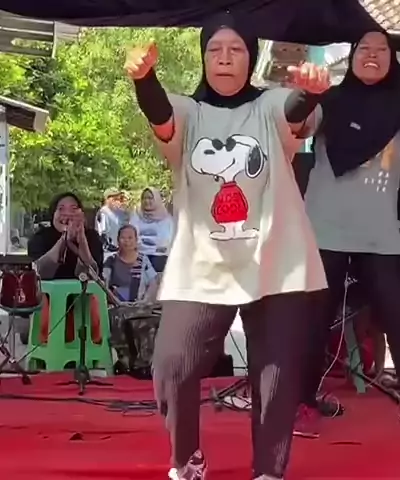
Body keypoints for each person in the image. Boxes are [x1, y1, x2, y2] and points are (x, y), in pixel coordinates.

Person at [125, 12, 330, 480]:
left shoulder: (269, 104)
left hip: (277, 258)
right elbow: (159, 115)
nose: (224, 58)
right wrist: (144, 79)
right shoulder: (188, 111)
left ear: (250, 59)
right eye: (214, 50)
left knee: (275, 374)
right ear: (203, 58)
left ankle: (268, 471)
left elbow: (295, 112)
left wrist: (312, 92)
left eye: (235, 49)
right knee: (172, 363)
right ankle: (187, 459)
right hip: (202, 262)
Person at [295, 29, 400, 439]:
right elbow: (302, 125)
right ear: (351, 57)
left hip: (377, 236)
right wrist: (306, 96)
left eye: (381, 49)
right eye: (363, 48)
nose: (372, 54)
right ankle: (302, 403)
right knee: (312, 321)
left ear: (391, 58)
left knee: (398, 318)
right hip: (324, 231)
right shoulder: (330, 102)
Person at [28, 192, 104, 344]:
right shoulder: (41, 237)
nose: (67, 213)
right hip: (50, 300)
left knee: (93, 301)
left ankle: (92, 345)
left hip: (82, 299)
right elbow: (41, 273)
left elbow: (90, 274)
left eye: (73, 209)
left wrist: (82, 241)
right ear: (53, 214)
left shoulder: (92, 237)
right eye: (61, 209)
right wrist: (64, 239)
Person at [103, 224, 159, 303]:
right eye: (123, 238)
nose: (126, 241)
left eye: (130, 238)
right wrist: (114, 300)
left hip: (139, 305)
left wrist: (145, 300)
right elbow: (104, 284)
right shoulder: (111, 260)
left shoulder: (143, 260)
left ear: (136, 240)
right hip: (116, 305)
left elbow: (152, 283)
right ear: (118, 241)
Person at [129, 187, 174, 273]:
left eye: (150, 198)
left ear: (157, 199)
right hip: (139, 253)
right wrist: (142, 245)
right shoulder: (136, 215)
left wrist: (151, 246)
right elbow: (132, 235)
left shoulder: (166, 218)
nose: (146, 201)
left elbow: (165, 240)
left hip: (159, 255)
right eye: (144, 198)